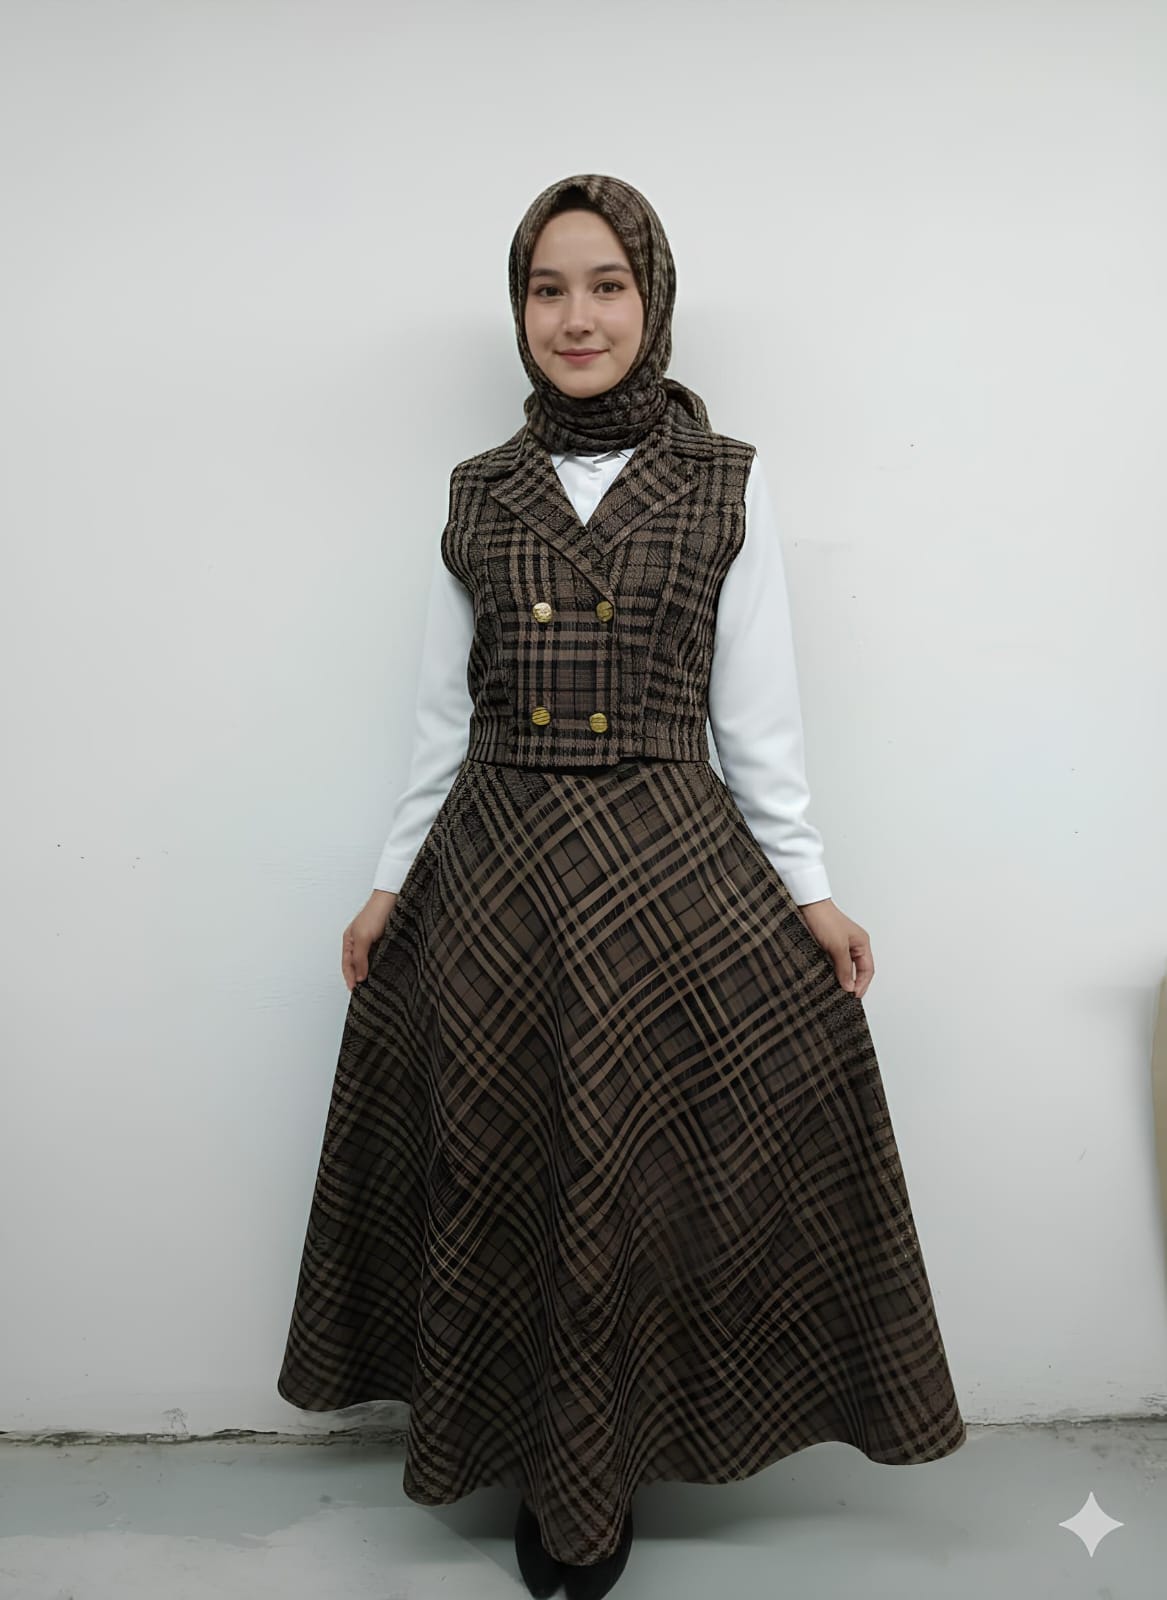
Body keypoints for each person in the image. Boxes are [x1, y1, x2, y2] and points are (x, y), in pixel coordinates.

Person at [277, 173, 966, 1600]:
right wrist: (389, 884)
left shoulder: (727, 481)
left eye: (606, 285)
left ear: (652, 300)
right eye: (548, 289)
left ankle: (604, 1474)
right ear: (518, 308)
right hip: (498, 872)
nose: (576, 316)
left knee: (631, 1173)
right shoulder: (478, 491)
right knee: (510, 1168)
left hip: (664, 868)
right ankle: (543, 1472)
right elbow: (443, 717)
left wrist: (812, 892)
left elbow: (757, 723)